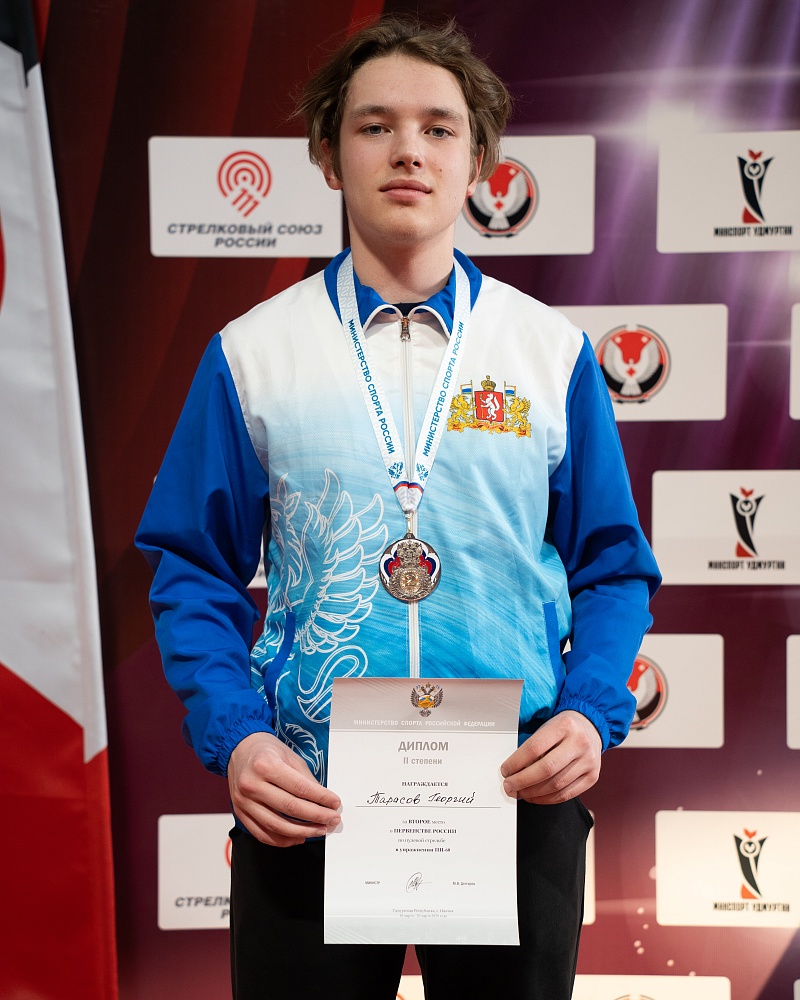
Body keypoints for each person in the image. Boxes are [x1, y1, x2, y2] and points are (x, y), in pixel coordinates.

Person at [136, 16, 660, 1000]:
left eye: (437, 128)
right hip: (309, 798)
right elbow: (193, 569)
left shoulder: (547, 354)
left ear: (477, 163)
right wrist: (238, 735)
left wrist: (591, 713)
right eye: (375, 126)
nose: (408, 150)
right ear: (328, 156)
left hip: (511, 791)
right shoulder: (254, 353)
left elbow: (612, 566)